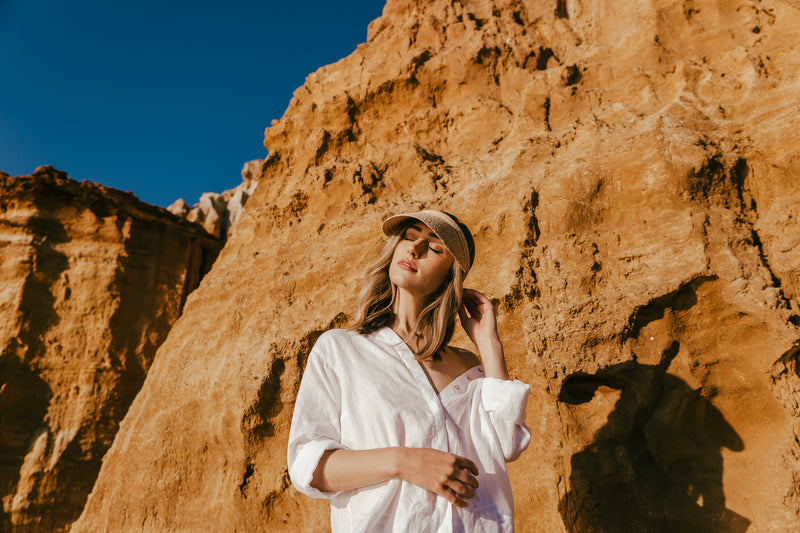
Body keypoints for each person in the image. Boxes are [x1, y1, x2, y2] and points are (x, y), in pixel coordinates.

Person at [287, 209, 531, 532]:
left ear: (450, 276)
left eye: (434, 247)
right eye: (410, 236)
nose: (414, 249)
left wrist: (489, 343)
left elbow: (507, 444)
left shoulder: (471, 369)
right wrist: (405, 462)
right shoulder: (340, 350)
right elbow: (308, 465)